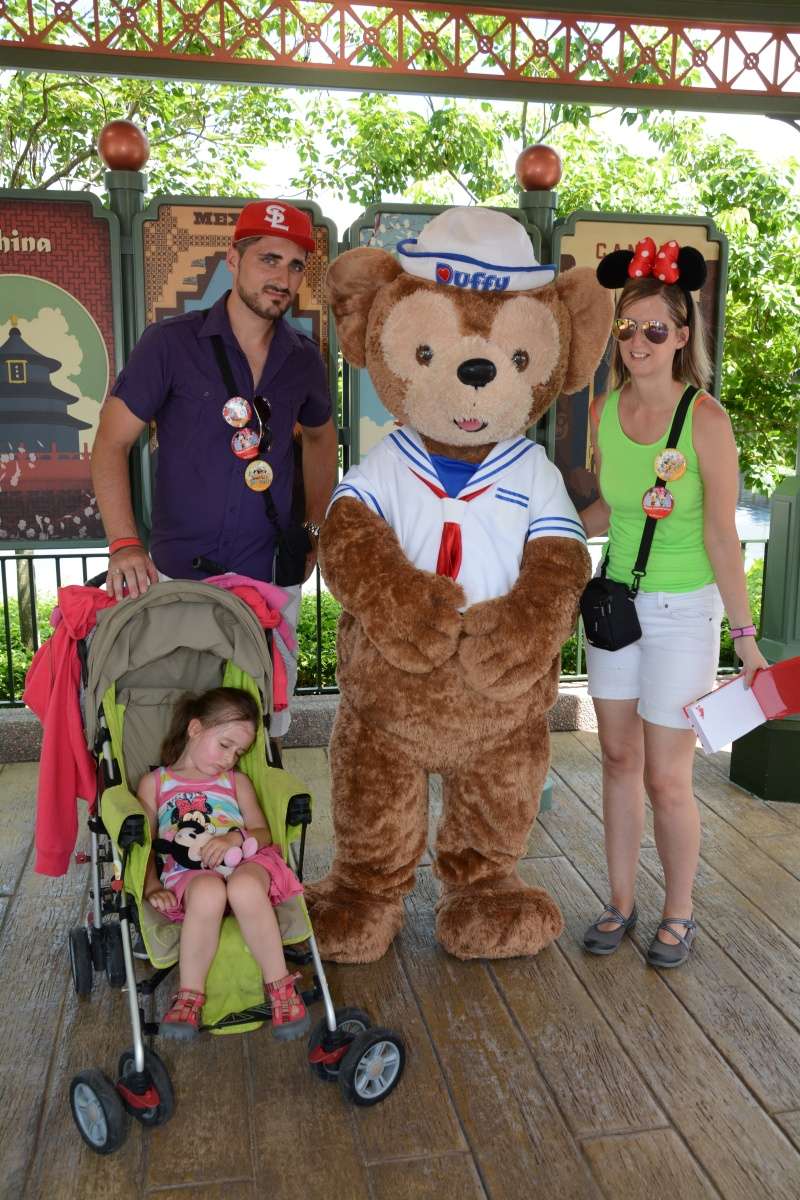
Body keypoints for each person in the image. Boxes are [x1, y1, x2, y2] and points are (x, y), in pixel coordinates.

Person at [579, 238, 768, 968]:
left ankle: (679, 911)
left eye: (655, 330)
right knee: (618, 757)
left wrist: (746, 636)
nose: (637, 343)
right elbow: (607, 511)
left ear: (683, 336)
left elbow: (723, 537)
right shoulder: (604, 408)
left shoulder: (707, 421)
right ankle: (620, 901)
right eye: (626, 329)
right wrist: (549, 535)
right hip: (616, 609)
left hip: (684, 612)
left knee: (666, 774)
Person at [91, 200, 339, 739]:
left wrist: (318, 525)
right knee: (175, 729)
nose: (283, 277)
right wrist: (124, 544)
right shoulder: (171, 344)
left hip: (270, 576)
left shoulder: (303, 358)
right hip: (182, 575)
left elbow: (321, 438)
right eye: (269, 259)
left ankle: (252, 823)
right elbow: (111, 444)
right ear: (234, 258)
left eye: (296, 266)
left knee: (262, 728)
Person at [138, 686, 309, 1040]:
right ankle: (190, 996)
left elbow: (262, 833)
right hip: (190, 873)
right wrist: (151, 885)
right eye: (225, 745)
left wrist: (235, 838)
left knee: (244, 887)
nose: (230, 758)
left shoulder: (236, 782)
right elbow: (145, 843)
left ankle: (280, 988)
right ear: (195, 728)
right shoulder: (155, 784)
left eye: (239, 751)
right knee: (208, 891)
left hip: (245, 861)